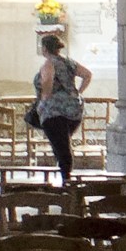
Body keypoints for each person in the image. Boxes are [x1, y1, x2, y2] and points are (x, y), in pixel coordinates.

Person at [31, 31, 91, 185]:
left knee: (61, 147)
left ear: (45, 48)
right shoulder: (69, 62)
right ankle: (67, 179)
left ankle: (67, 181)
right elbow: (87, 74)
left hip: (54, 112)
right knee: (63, 144)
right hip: (74, 110)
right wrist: (77, 92)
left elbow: (47, 81)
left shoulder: (48, 63)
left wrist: (43, 101)